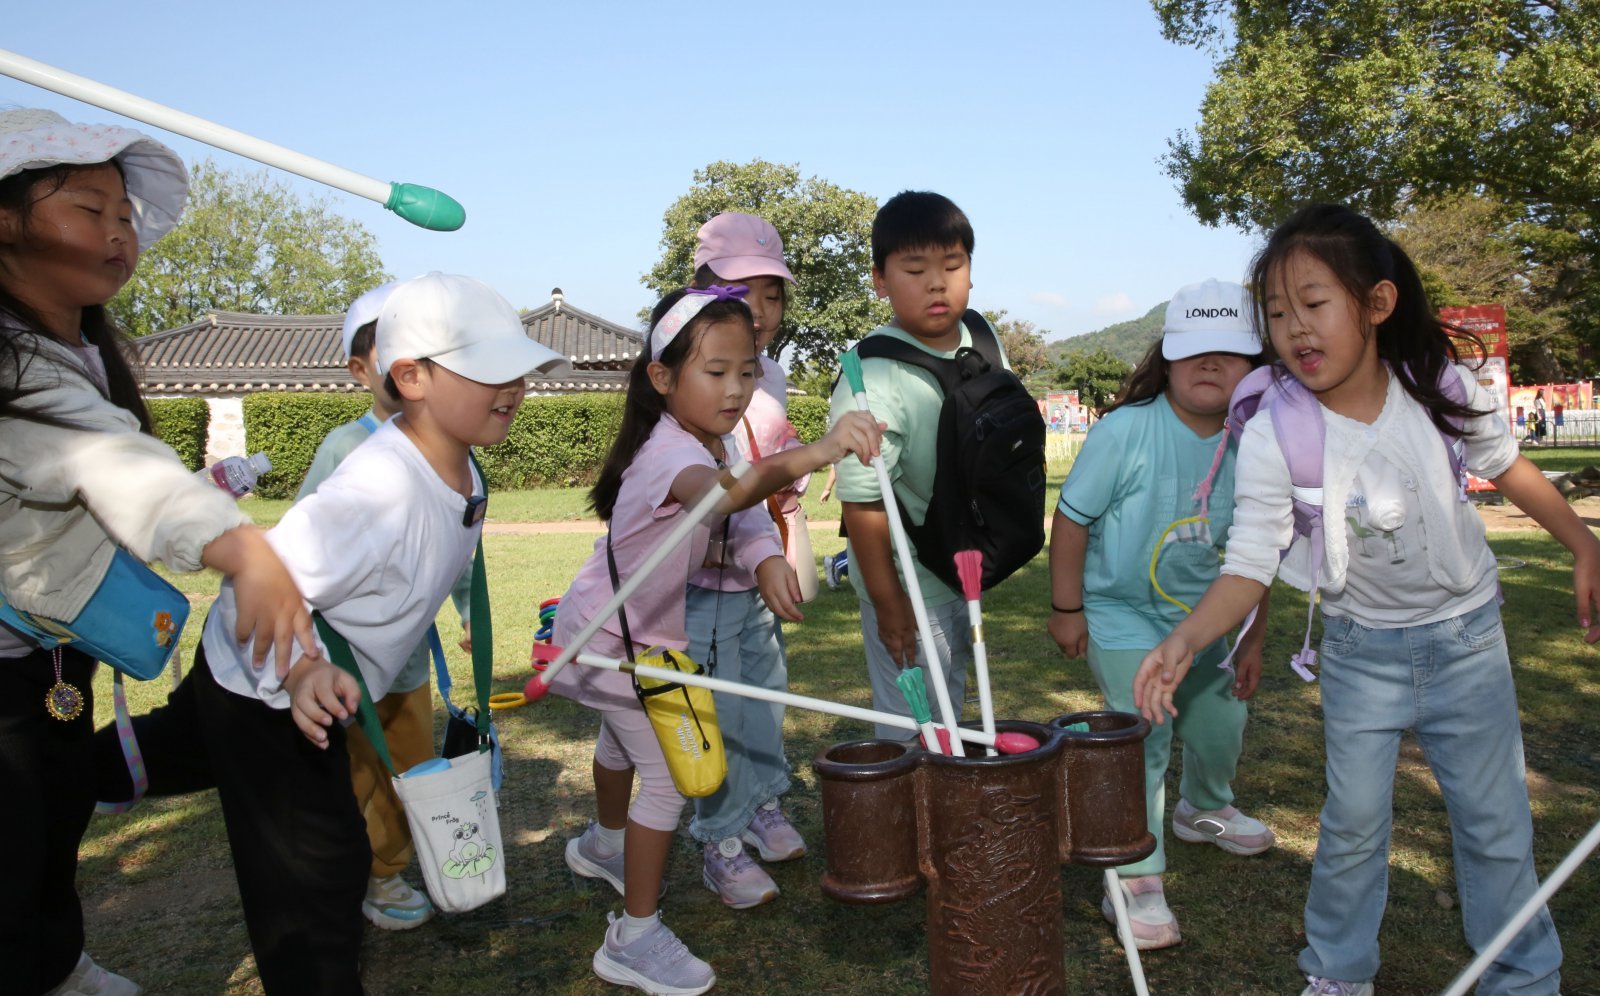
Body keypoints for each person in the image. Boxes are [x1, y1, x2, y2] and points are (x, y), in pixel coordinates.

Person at [1133, 204, 1598, 996]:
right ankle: (1339, 975)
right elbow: (1250, 558)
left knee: (1495, 828)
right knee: (1351, 829)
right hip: (1358, 650)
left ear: (1376, 304)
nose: (1294, 330)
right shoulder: (1276, 426)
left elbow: (1508, 466)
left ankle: (1521, 976)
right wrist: (1186, 638)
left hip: (1467, 643)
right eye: (1276, 315)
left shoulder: (1439, 386)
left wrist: (1584, 543)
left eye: (1314, 305)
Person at [92, 272, 560, 993]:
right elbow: (265, 575)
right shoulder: (379, 488)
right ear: (411, 377)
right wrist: (305, 666)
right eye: (488, 370)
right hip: (268, 692)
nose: (513, 388)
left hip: (268, 681)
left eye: (519, 371)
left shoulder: (461, 463)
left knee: (160, 757)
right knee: (322, 872)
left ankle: (41, 779)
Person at [0, 108, 315, 996]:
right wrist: (242, 552)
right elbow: (114, 464)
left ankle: (54, 963)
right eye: (89, 207)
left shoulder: (73, 353)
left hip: (55, 654)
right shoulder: (14, 367)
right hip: (9, 672)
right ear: (5, 221)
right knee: (20, 838)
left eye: (125, 215)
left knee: (52, 821)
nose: (117, 231)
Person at [552, 285, 881, 995]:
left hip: (624, 634)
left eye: (748, 370)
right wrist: (823, 450)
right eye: (716, 371)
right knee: (671, 776)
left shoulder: (712, 438)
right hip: (615, 642)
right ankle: (632, 937)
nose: (736, 389)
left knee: (620, 745)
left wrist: (766, 560)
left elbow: (744, 515)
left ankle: (607, 844)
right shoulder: (670, 454)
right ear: (663, 378)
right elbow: (729, 494)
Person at [1050, 279, 1273, 950]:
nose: (1211, 365)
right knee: (1143, 733)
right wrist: (1067, 608)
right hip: (1123, 614)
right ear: (1167, 358)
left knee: (1220, 725)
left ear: (1257, 366)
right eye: (1194, 351)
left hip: (1212, 621)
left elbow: (1265, 553)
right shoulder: (1125, 431)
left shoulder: (1262, 441)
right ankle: (1135, 869)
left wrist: (1254, 638)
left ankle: (1203, 806)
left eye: (1230, 353)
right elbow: (1071, 522)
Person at [294, 281, 471, 932]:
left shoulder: (447, 446)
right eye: (388, 351)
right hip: (344, 664)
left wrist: (466, 616)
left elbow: (456, 543)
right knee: (352, 775)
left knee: (412, 767)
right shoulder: (344, 449)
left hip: (409, 663)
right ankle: (356, 874)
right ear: (361, 368)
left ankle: (389, 872)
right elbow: (302, 549)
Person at [826, 190, 1003, 738]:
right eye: (914, 268)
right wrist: (889, 602)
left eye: (953, 265)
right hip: (906, 581)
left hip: (963, 568)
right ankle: (910, 819)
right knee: (915, 723)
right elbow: (861, 502)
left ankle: (941, 811)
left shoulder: (981, 338)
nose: (936, 282)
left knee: (950, 704)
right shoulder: (871, 378)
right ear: (880, 280)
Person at [682, 213, 809, 908]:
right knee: (716, 712)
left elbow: (766, 469)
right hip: (695, 584)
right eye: (742, 291)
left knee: (765, 699)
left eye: (773, 294)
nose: (760, 311)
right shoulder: (680, 372)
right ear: (701, 290)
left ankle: (761, 806)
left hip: (755, 574)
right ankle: (720, 840)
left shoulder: (775, 375)